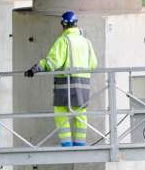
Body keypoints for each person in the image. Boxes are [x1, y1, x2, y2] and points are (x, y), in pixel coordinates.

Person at [23, 11, 98, 147]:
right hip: (83, 86)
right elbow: (93, 64)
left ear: (63, 25)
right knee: (80, 115)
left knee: (61, 113)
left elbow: (53, 62)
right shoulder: (86, 42)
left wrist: (36, 68)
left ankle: (67, 144)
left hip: (66, 86)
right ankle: (80, 144)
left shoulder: (64, 41)